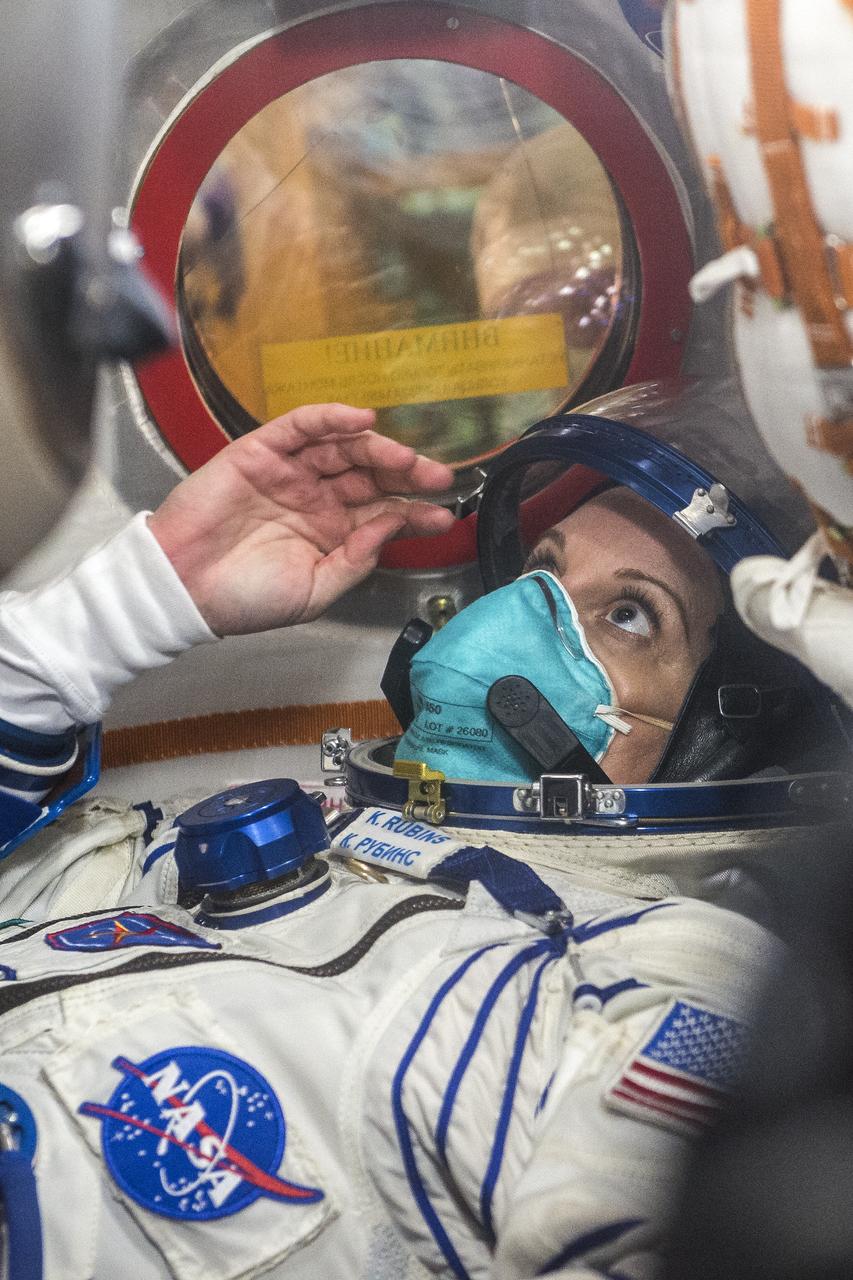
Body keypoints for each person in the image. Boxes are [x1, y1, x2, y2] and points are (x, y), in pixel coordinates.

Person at [1, 382, 847, 1280]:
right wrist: (129, 602)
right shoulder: (246, 830)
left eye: (628, 614)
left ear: (724, 751)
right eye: (542, 570)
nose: (513, 618)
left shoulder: (637, 987)